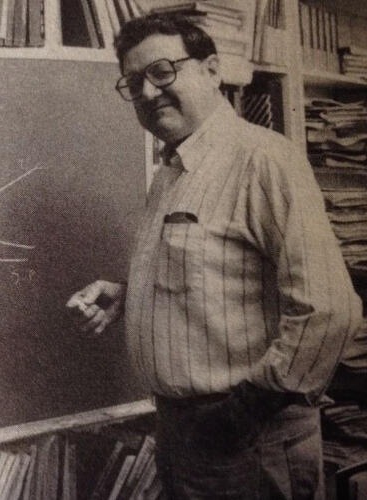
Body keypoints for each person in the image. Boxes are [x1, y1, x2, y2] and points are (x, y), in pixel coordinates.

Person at [67, 14, 363, 499]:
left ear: (211, 70)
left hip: (248, 439)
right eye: (134, 81)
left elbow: (329, 310)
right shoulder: (172, 169)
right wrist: (128, 292)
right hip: (184, 432)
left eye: (163, 72)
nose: (147, 92)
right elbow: (218, 269)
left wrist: (240, 416)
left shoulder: (264, 159)